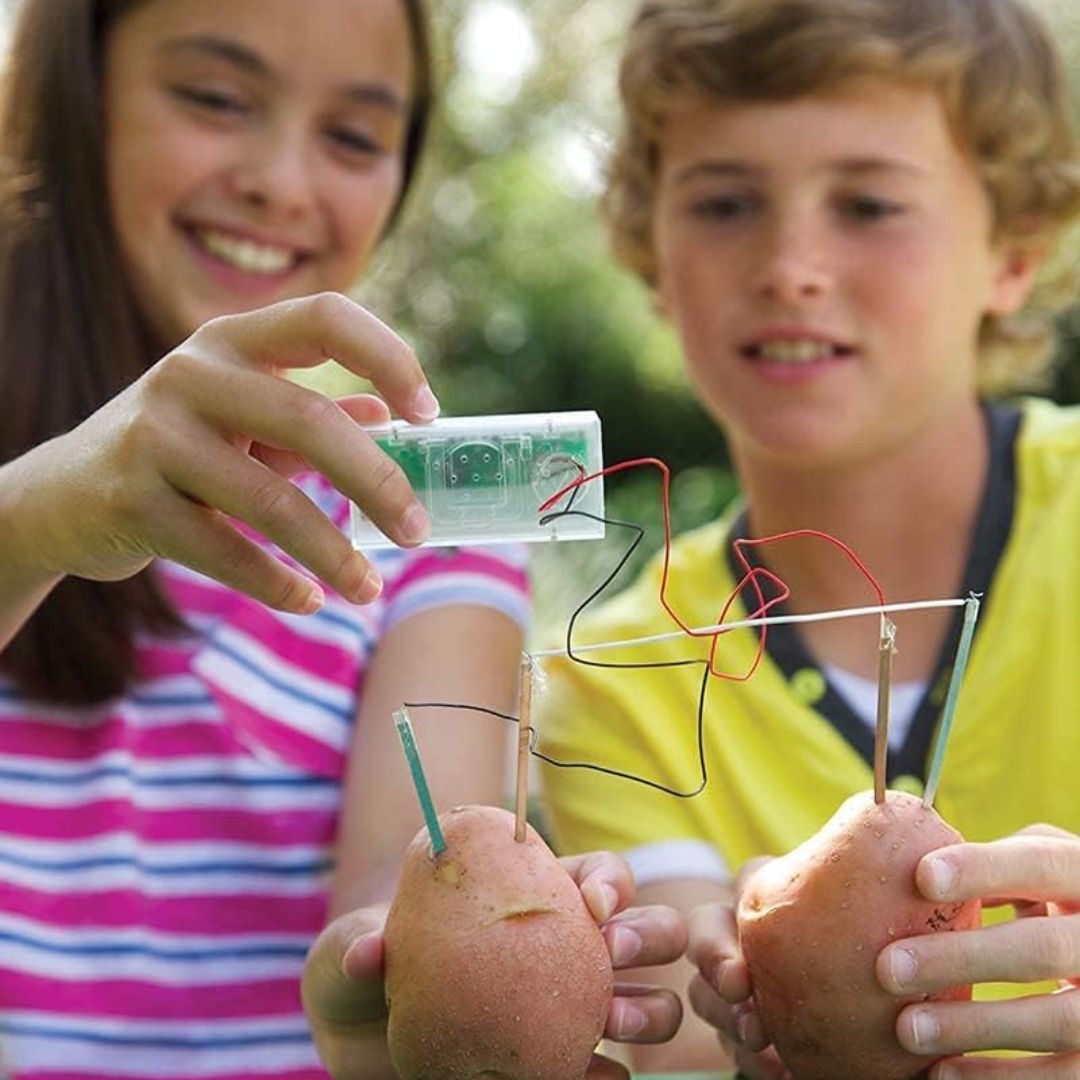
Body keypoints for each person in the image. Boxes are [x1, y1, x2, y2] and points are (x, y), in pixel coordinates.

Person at [0, 1, 684, 1077]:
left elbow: (401, 882)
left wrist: (402, 990)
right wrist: (41, 517)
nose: (282, 179)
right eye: (217, 98)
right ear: (73, 96)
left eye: (355, 134)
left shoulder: (426, 528)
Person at [537, 0, 1080, 1074]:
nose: (790, 263)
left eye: (871, 203)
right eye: (727, 201)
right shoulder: (620, 679)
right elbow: (687, 1053)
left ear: (1013, 251)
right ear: (653, 250)